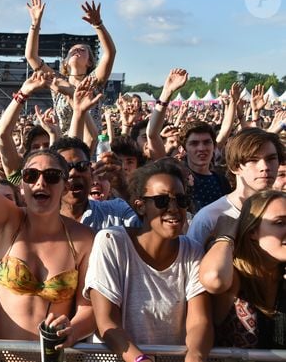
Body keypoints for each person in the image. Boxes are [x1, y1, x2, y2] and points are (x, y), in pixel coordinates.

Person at [0, 122, 95, 347]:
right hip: (0, 357)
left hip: (53, 357)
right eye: (31, 175)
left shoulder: (85, 239)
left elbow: (88, 308)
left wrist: (73, 329)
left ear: (65, 186)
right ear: (22, 185)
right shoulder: (8, 221)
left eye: (51, 176)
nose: (41, 182)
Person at [85, 159, 212, 362]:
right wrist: (140, 360)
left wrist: (195, 357)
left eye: (181, 200)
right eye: (162, 200)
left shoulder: (192, 250)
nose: (173, 208)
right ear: (141, 206)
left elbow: (200, 321)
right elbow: (107, 322)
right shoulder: (111, 241)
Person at [199, 190, 286, 348]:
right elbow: (214, 278)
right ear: (252, 230)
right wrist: (225, 237)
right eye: (280, 223)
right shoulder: (233, 276)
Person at [25, 0, 116, 135]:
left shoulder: (93, 81)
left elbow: (110, 53)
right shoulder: (58, 81)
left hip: (90, 145)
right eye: (72, 50)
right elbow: (31, 56)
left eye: (82, 50)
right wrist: (35, 24)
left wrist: (98, 25)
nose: (76, 51)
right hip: (64, 144)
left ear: (90, 62)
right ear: (65, 63)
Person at [187, 128, 284, 247]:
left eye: (271, 159)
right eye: (252, 160)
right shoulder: (208, 218)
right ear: (235, 166)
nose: (265, 166)